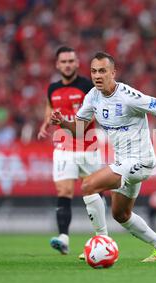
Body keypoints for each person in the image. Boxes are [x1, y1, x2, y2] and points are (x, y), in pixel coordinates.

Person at [51, 52, 156, 262]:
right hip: (123, 162)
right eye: (94, 71)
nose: (97, 75)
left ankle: (101, 242)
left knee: (88, 186)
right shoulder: (93, 97)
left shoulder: (127, 96)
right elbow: (78, 130)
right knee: (121, 215)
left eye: (102, 71)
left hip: (140, 160)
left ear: (113, 73)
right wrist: (61, 122)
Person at [37, 46, 107, 256]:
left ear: (77, 63)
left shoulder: (88, 86)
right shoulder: (52, 88)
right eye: (63, 61)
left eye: (71, 61)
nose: (67, 65)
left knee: (94, 192)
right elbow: (50, 109)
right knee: (64, 191)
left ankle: (100, 238)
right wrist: (45, 124)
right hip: (63, 147)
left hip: (88, 146)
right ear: (58, 65)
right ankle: (64, 238)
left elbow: (93, 113)